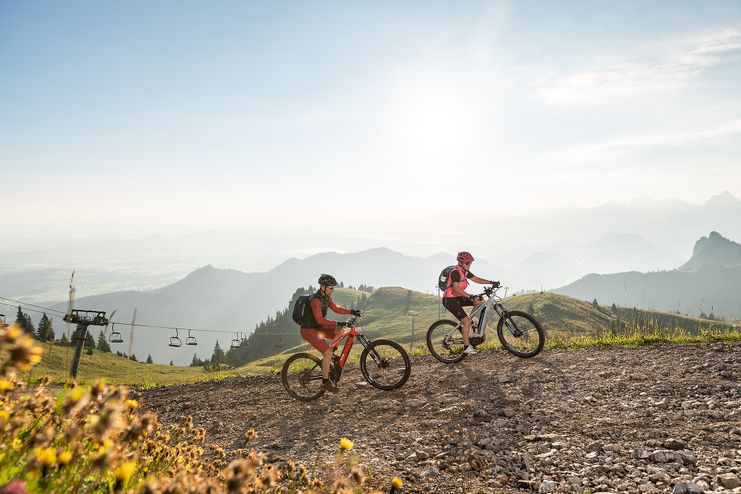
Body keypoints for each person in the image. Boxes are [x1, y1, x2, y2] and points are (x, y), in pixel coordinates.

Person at [299, 274, 361, 392]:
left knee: (340, 331)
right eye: (331, 288)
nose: (333, 290)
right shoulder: (315, 300)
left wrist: (352, 311)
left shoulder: (326, 298)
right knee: (327, 353)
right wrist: (338, 322)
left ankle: (331, 355)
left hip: (318, 328)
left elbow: (336, 308)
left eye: (334, 288)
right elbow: (320, 320)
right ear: (323, 287)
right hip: (309, 331)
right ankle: (325, 382)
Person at [442, 252, 498, 355]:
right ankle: (467, 347)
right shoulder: (455, 272)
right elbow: (456, 289)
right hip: (450, 300)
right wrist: (469, 296)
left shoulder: (465, 271)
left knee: (480, 301)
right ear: (460, 262)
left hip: (458, 297)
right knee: (466, 322)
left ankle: (469, 321)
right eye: (467, 263)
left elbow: (477, 279)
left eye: (470, 263)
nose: (469, 265)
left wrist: (491, 282)